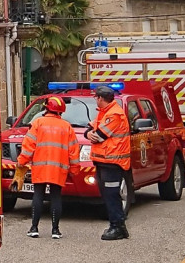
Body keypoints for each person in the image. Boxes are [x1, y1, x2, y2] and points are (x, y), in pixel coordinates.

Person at [11, 95, 80, 239]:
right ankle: (55, 230)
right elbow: (74, 150)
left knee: (38, 195)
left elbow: (28, 146)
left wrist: (21, 162)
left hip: (40, 167)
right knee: (55, 196)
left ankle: (34, 228)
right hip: (59, 168)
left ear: (46, 108)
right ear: (60, 111)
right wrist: (74, 170)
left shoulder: (38, 123)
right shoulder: (66, 127)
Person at [86, 85, 131, 240]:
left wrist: (92, 134)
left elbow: (99, 136)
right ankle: (117, 226)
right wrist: (89, 133)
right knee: (107, 194)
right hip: (103, 161)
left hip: (112, 162)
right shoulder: (104, 113)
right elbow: (89, 129)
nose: (94, 100)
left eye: (95, 97)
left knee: (111, 195)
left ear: (100, 98)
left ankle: (117, 226)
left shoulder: (114, 114)